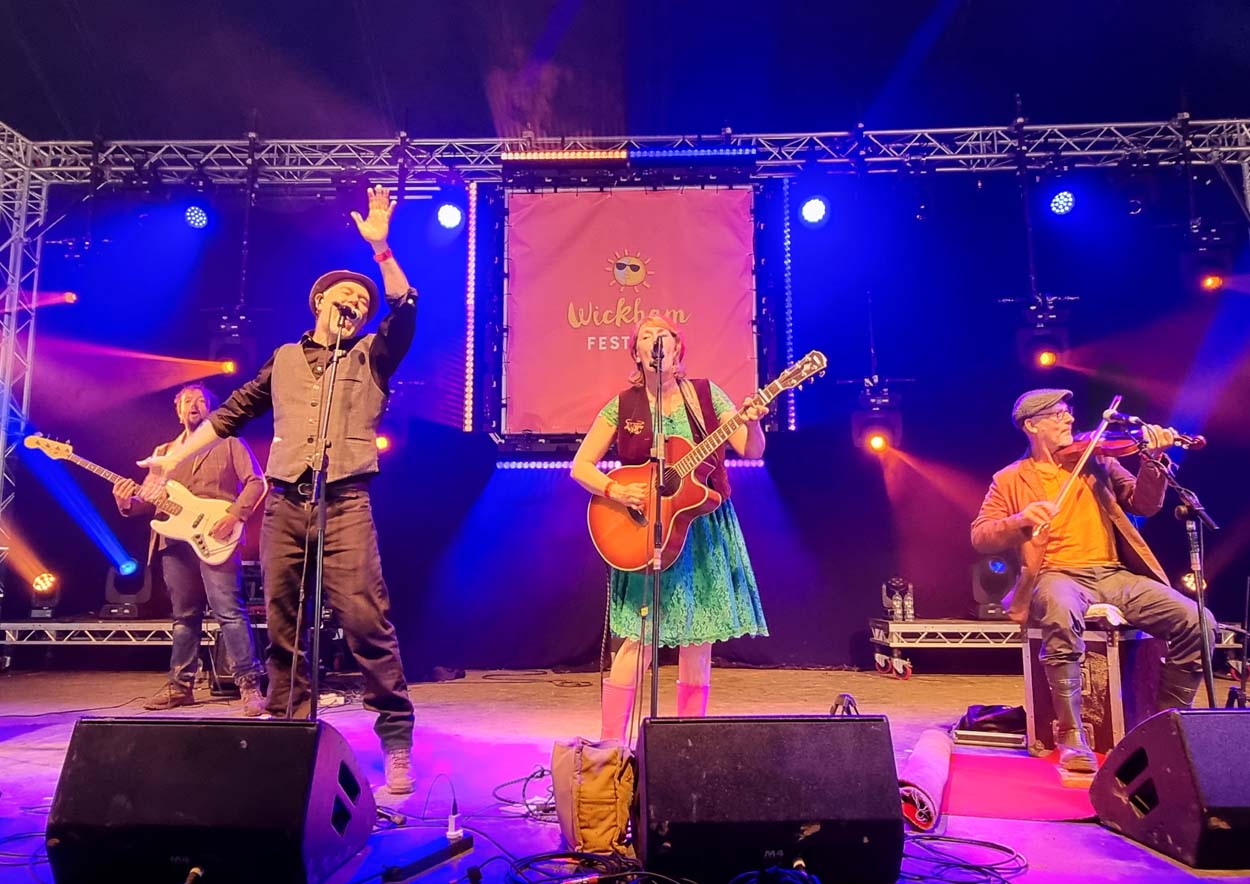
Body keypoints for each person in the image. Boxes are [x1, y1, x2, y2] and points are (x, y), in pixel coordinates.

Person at [136, 185, 419, 793]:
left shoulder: (373, 354)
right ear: (318, 303)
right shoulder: (285, 358)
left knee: (364, 618)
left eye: (360, 301)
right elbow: (230, 413)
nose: (354, 303)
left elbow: (405, 307)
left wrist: (381, 250)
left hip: (345, 501)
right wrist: (169, 461)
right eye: (343, 296)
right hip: (287, 502)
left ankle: (396, 738)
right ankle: (291, 731)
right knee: (284, 620)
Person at [971, 388, 1215, 772]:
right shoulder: (1010, 479)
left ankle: (1166, 727)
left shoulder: (1097, 460)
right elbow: (981, 535)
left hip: (1113, 574)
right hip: (1056, 574)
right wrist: (1021, 519)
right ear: (1031, 425)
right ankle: (1071, 734)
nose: (1069, 419)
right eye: (1057, 414)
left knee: (1198, 621)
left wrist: (1152, 461)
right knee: (1059, 608)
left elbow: (1143, 503)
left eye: (1068, 412)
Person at [571, 315, 769, 743]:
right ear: (635, 352)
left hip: (702, 528)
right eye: (646, 335)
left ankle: (686, 746)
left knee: (698, 641)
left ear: (678, 348)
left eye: (663, 334)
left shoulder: (706, 394)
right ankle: (611, 747)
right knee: (638, 639)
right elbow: (581, 466)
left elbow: (750, 450)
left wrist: (752, 421)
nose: (655, 339)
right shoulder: (622, 405)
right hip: (646, 532)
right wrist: (615, 490)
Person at [113, 383, 266, 714]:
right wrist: (127, 502)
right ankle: (181, 687)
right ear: (178, 410)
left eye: (200, 401)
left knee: (229, 611)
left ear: (211, 409)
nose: (193, 405)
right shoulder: (164, 451)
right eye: (187, 401)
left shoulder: (228, 441)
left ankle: (249, 685)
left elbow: (257, 482)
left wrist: (234, 515)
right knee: (183, 616)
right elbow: (149, 498)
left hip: (216, 537)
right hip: (174, 540)